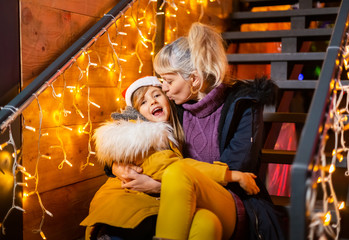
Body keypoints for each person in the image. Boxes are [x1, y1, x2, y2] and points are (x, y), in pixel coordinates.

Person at [110, 22, 285, 240]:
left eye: (169, 80)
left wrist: (158, 186)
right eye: (162, 80)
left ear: (193, 79)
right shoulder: (174, 105)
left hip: (234, 201)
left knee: (178, 171)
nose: (162, 87)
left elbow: (234, 170)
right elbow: (123, 134)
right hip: (191, 204)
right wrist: (117, 166)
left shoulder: (242, 105)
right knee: (205, 224)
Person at [81, 76, 260, 240]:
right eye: (143, 102)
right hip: (124, 216)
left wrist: (159, 186)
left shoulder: (168, 135)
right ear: (137, 114)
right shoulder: (144, 137)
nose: (152, 102)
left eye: (157, 95)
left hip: (149, 208)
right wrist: (232, 175)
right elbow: (175, 168)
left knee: (207, 221)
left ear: (168, 99)